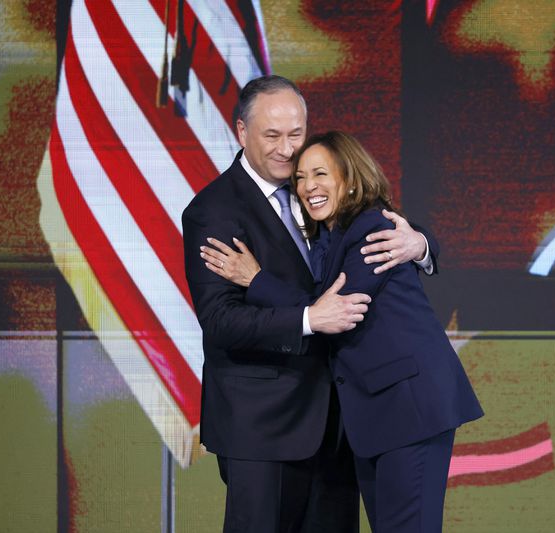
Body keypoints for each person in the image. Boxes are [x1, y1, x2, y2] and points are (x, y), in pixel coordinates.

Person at [182, 77, 437, 533]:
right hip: (263, 427)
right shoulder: (214, 211)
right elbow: (221, 320)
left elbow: (375, 222)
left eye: (295, 134)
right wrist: (307, 319)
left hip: (338, 424)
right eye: (272, 135)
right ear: (241, 132)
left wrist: (420, 244)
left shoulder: (317, 187)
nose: (286, 149)